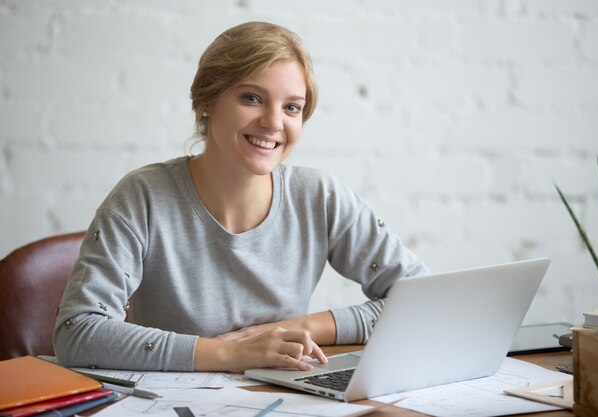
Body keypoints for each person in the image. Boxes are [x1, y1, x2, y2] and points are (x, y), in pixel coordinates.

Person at [53, 21, 429, 372]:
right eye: (252, 98)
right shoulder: (142, 197)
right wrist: (230, 354)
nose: (273, 122)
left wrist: (302, 326)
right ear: (207, 101)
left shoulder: (321, 197)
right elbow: (77, 331)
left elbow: (423, 300)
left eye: (291, 107)